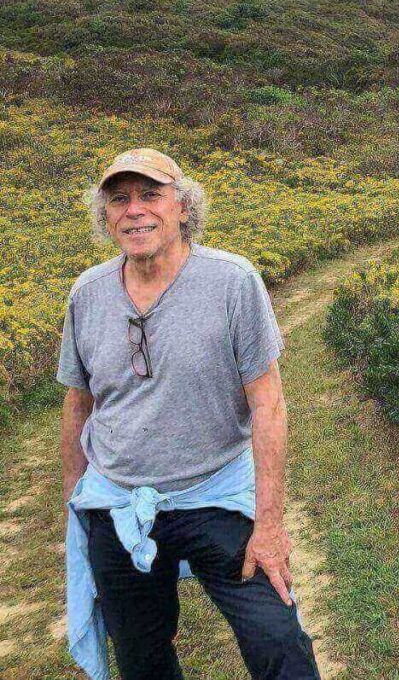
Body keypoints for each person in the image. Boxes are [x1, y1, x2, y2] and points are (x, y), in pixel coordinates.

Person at [57, 148, 322, 680]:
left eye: (150, 195)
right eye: (119, 199)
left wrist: (269, 524)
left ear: (182, 207)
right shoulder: (87, 293)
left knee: (277, 640)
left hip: (215, 495)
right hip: (119, 504)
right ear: (105, 216)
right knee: (142, 658)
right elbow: (77, 406)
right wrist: (77, 513)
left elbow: (267, 403)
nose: (134, 211)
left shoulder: (231, 281)